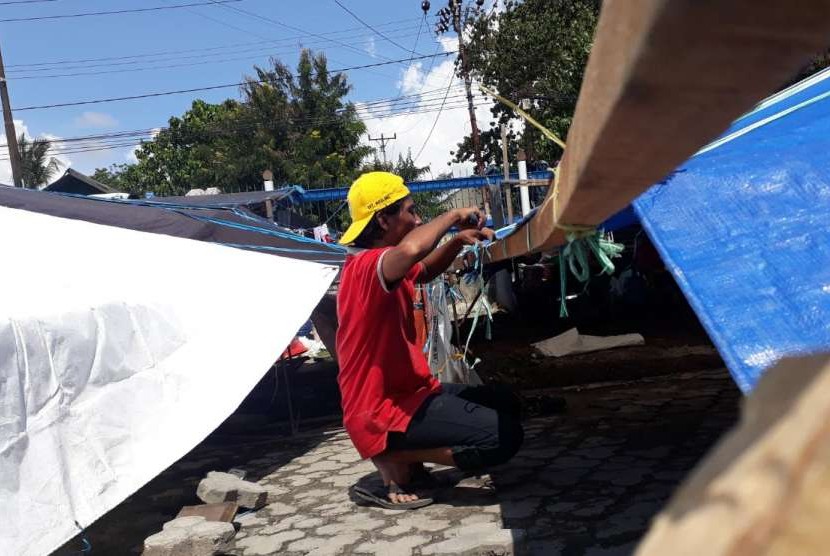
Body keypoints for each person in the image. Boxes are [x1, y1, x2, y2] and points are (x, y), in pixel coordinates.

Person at [335, 171, 524, 509]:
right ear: (382, 219)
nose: (418, 218)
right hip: (379, 409)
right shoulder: (367, 266)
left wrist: (455, 241)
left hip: (409, 395)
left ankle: (409, 460)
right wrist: (453, 215)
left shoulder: (387, 265)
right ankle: (393, 453)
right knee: (503, 437)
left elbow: (424, 269)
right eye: (409, 211)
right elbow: (413, 248)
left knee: (505, 403)